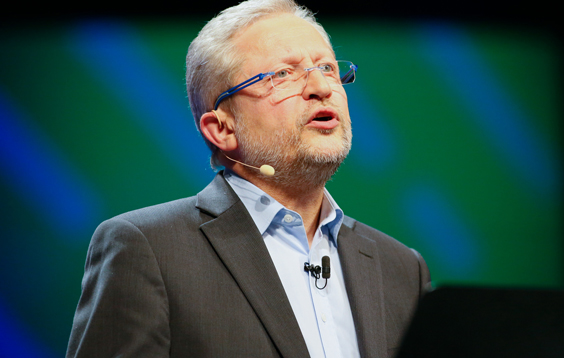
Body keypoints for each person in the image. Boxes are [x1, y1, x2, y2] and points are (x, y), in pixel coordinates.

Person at [66, 0, 430, 357]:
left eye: (328, 68)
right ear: (222, 129)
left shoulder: (402, 267)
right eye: (282, 75)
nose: (321, 87)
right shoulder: (148, 250)